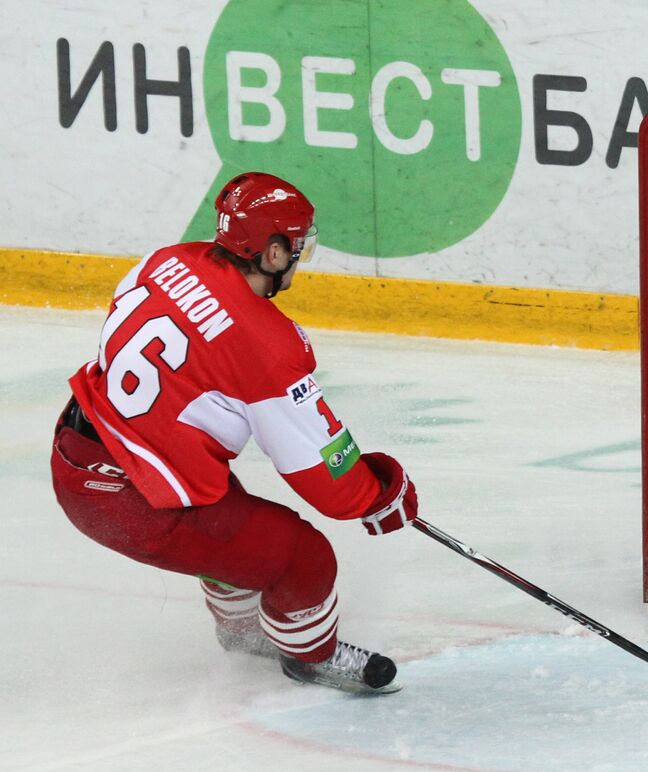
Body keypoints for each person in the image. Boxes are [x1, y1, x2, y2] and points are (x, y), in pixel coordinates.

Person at [50, 172, 418, 693]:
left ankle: (243, 635)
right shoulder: (265, 346)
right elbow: (320, 473)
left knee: (228, 512)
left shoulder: (167, 260)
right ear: (271, 253)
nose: (298, 260)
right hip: (127, 498)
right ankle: (311, 657)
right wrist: (377, 493)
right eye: (297, 247)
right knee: (302, 556)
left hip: (78, 449)